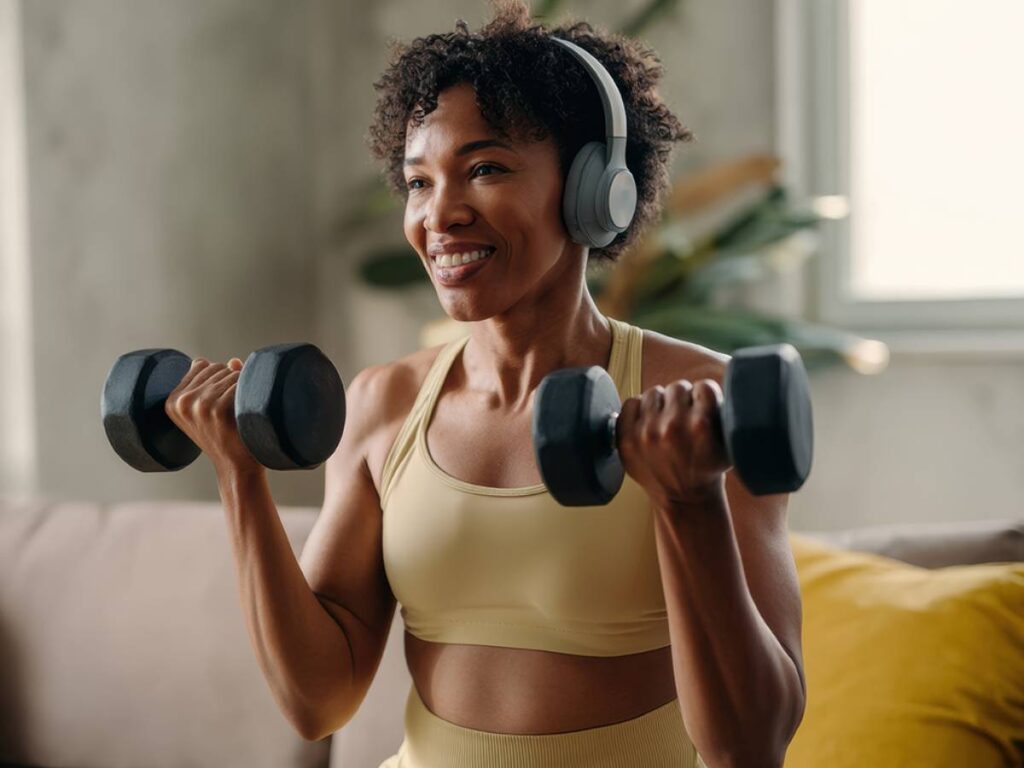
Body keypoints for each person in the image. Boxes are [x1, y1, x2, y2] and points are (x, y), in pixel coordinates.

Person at [164, 1, 806, 765]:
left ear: (595, 190)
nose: (441, 215)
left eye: (485, 169)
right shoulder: (385, 405)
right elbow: (316, 700)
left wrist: (688, 501)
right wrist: (240, 476)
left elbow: (749, 746)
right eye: (418, 182)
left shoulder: (703, 404)